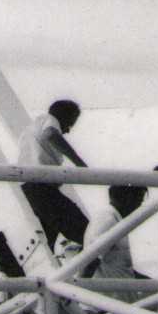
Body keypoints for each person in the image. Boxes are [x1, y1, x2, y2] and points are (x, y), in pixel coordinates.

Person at [22, 97, 93, 261]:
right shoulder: (49, 120)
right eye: (70, 124)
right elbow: (51, 134)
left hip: (33, 188)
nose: (68, 131)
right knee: (87, 232)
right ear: (63, 117)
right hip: (41, 189)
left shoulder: (31, 128)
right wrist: (80, 164)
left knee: (50, 242)